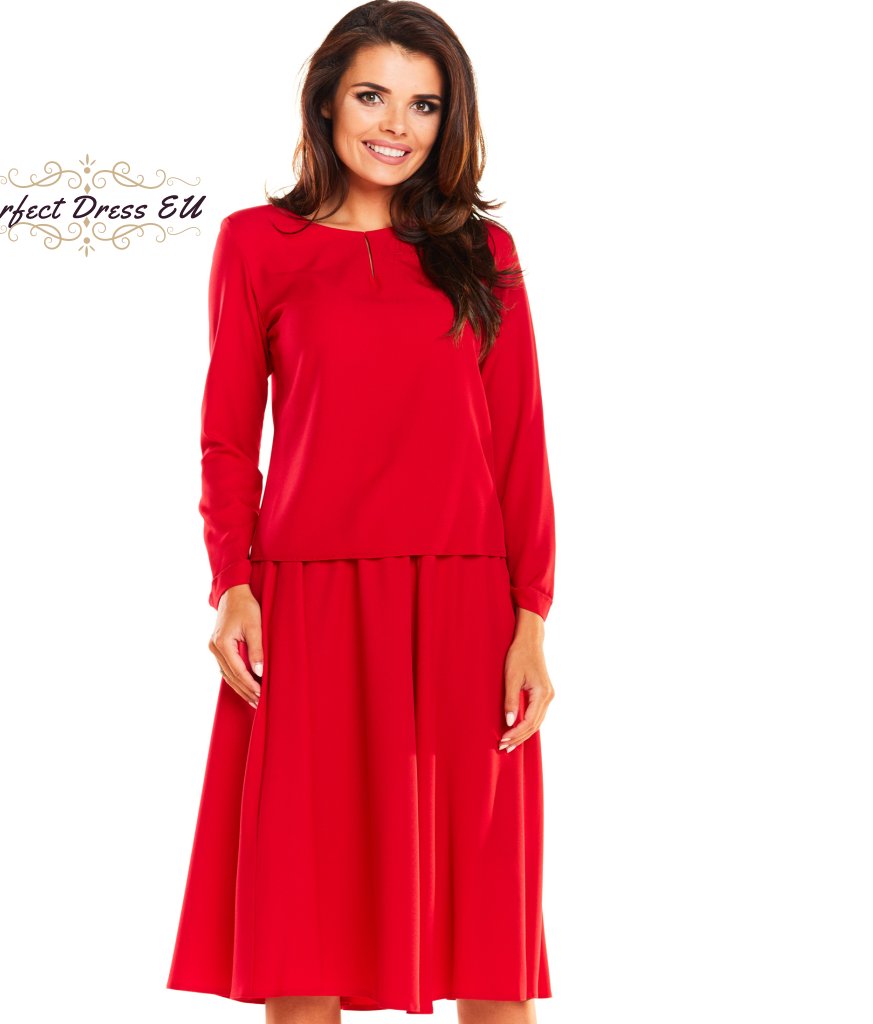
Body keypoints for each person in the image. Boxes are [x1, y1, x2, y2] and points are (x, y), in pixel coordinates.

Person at [167, 3, 557, 1020]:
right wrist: (232, 583)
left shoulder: (484, 252)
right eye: (372, 95)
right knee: (302, 934)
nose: (397, 124)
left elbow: (520, 446)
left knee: (486, 939)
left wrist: (530, 621)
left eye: (424, 104)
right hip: (307, 613)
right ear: (326, 102)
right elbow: (225, 438)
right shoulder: (256, 245)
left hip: (464, 612)